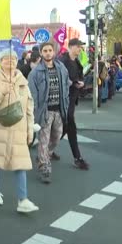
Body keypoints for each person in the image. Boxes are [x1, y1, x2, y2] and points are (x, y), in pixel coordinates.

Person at [0, 50, 39, 213]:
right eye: (6, 59)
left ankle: (23, 200)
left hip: (18, 129)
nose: (10, 62)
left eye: (13, 59)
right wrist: (2, 94)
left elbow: (29, 107)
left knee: (21, 164)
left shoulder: (23, 82)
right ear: (1, 62)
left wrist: (30, 129)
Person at [28, 42, 70, 184]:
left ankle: (44, 155)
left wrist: (67, 101)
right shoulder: (35, 72)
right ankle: (44, 167)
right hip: (44, 112)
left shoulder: (61, 68)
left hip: (59, 109)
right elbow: (32, 94)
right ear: (40, 53)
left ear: (54, 52)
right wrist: (35, 112)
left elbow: (66, 85)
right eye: (45, 50)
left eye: (50, 50)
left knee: (57, 137)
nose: (47, 53)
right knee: (43, 141)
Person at [59, 39, 89, 170]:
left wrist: (81, 83)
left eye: (81, 47)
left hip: (72, 98)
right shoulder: (62, 61)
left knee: (65, 127)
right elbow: (60, 79)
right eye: (78, 47)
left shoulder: (77, 62)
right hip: (62, 99)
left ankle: (47, 149)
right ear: (70, 47)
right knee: (70, 125)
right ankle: (77, 158)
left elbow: (80, 76)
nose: (80, 49)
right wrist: (73, 83)